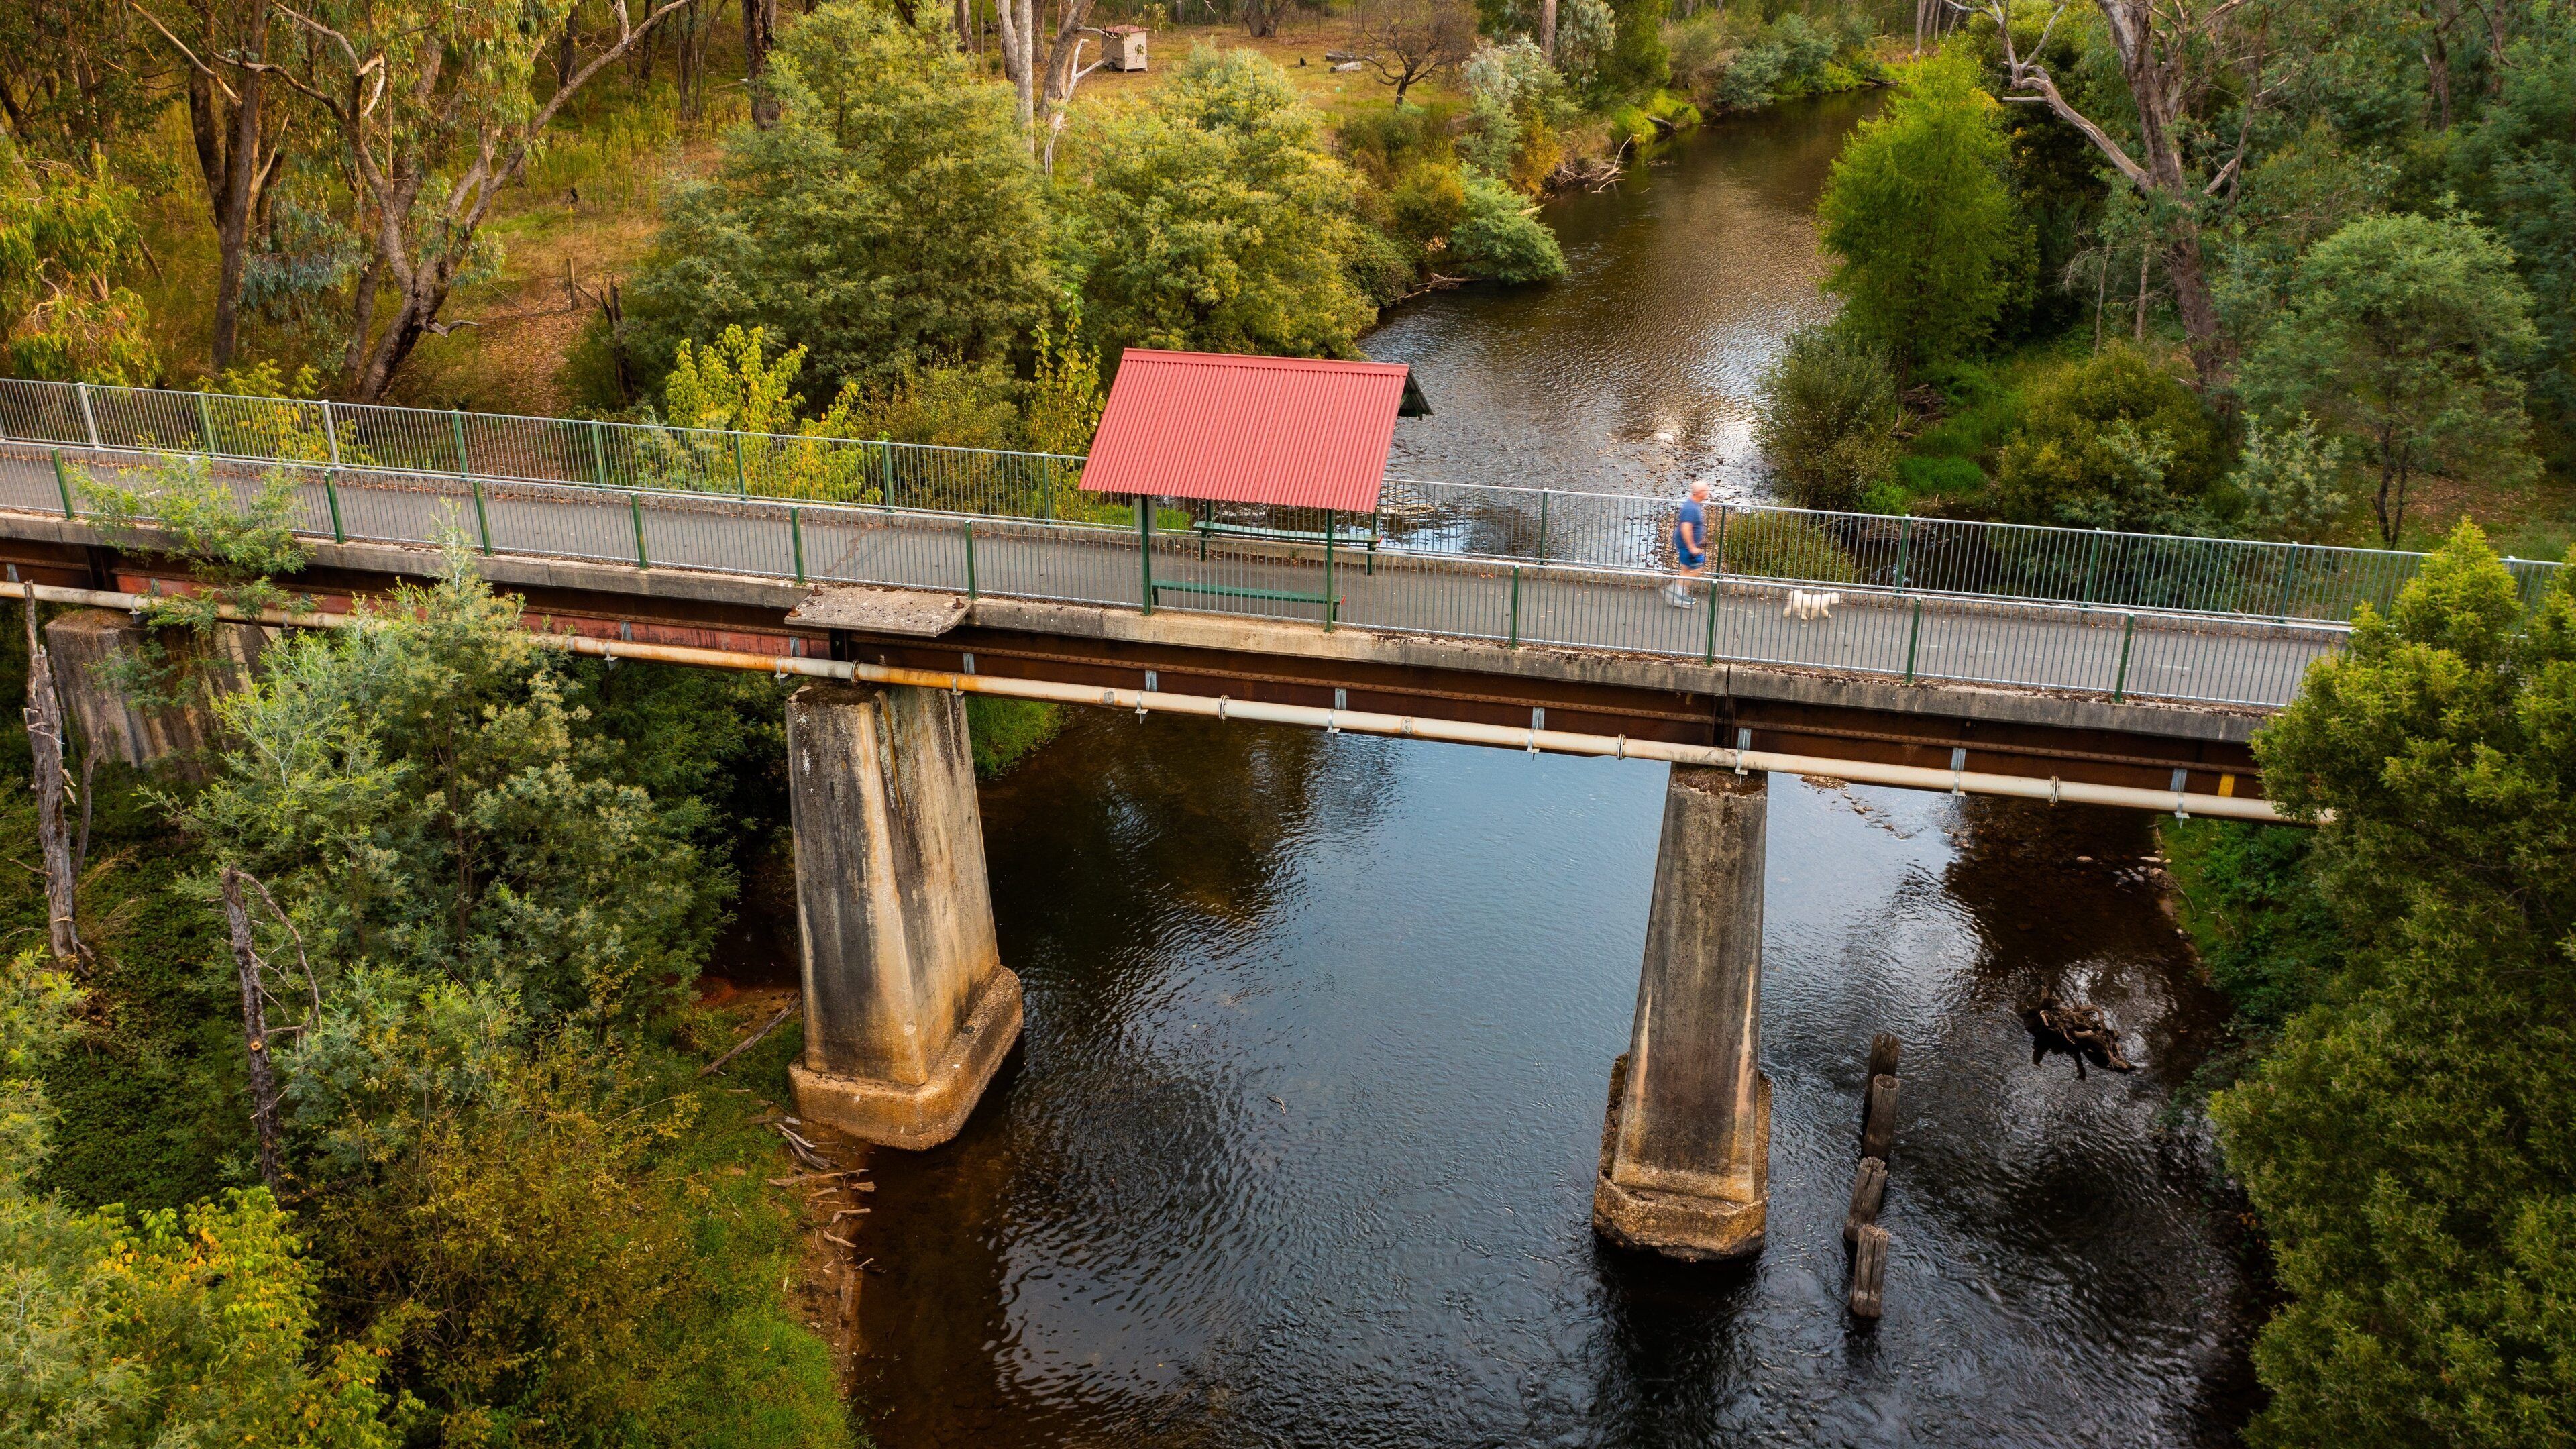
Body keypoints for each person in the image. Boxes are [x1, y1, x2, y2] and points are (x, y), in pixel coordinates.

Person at [1666, 480, 1711, 606]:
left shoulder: (1693, 504)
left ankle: (1678, 594)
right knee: (1697, 569)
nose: (1707, 493)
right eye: (1705, 491)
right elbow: (1686, 527)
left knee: (1686, 569)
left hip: (1687, 544)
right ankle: (1675, 594)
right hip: (1687, 545)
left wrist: (1699, 541)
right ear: (1698, 493)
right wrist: (1692, 547)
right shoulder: (1691, 508)